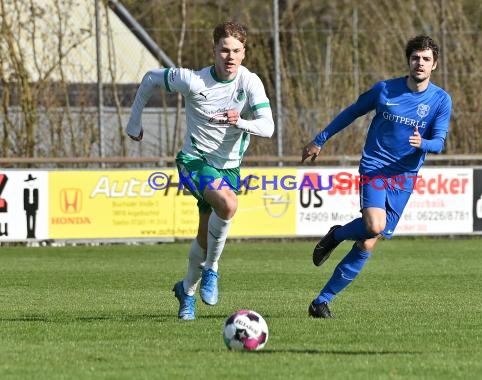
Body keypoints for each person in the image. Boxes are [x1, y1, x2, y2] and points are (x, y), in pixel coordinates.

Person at [126, 21, 274, 320]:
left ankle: (186, 293)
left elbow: (268, 128)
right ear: (214, 50)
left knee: (205, 238)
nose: (230, 57)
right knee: (229, 204)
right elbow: (151, 78)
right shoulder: (193, 81)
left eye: (236, 51)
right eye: (224, 50)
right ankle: (212, 269)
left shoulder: (249, 82)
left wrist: (240, 121)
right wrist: (134, 122)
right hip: (193, 161)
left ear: (244, 53)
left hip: (229, 168)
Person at [301, 35, 452, 318]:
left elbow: (440, 142)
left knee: (369, 241)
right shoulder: (385, 90)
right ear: (408, 60)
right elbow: (352, 112)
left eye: (426, 59)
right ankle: (337, 235)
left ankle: (320, 301)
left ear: (435, 65)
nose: (420, 63)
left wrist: (425, 144)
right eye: (416, 58)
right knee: (373, 225)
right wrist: (320, 139)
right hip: (376, 166)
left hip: (405, 176)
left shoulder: (441, 100)